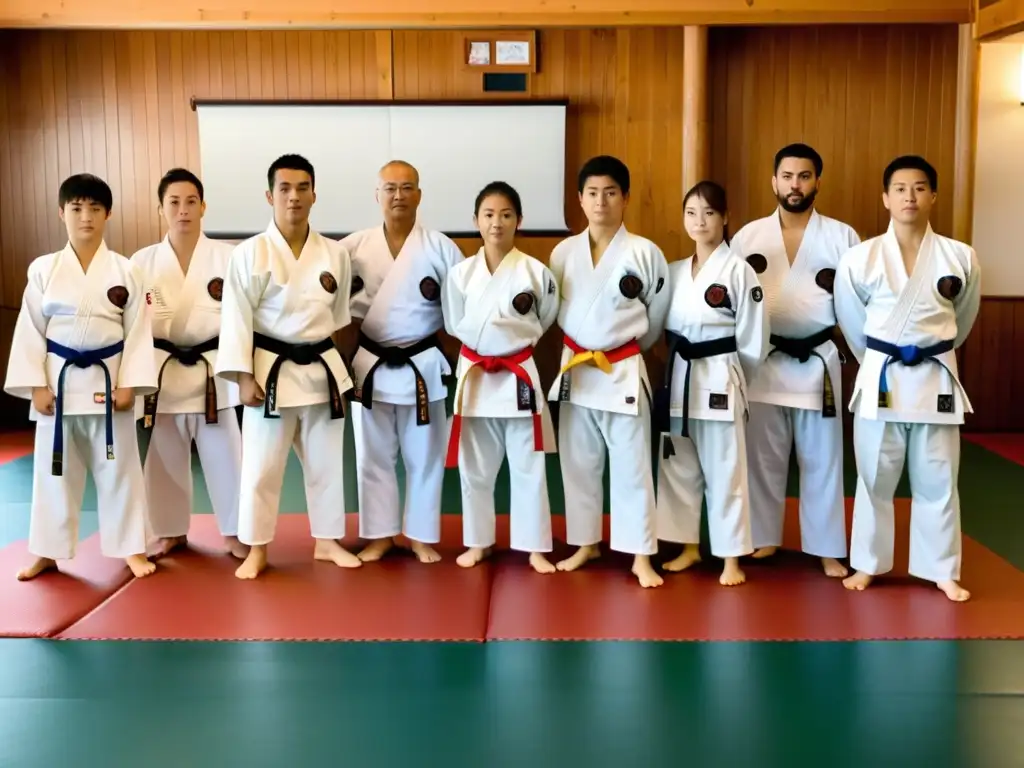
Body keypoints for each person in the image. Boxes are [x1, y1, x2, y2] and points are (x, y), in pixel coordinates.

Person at [834, 155, 980, 602]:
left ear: (933, 195)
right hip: (881, 374)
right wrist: (879, 357)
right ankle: (868, 564)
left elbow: (965, 317)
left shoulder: (960, 256)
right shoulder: (861, 257)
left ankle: (941, 570)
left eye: (919, 187)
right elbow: (851, 319)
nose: (910, 196)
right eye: (900, 188)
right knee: (875, 476)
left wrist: (932, 350)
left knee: (938, 477)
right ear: (885, 197)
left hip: (936, 376)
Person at [4, 173, 157, 580]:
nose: (85, 216)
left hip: (110, 385)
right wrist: (35, 384)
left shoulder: (126, 270)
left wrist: (130, 383)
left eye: (94, 208)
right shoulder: (43, 269)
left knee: (121, 469)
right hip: (59, 384)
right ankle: (47, 552)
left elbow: (139, 331)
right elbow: (31, 329)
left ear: (108, 214)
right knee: (53, 472)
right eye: (76, 208)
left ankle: (131, 548)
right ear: (61, 213)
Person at [215, 154, 358, 580]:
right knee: (260, 465)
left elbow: (339, 318)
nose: (294, 196)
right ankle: (257, 548)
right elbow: (236, 319)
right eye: (285, 188)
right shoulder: (249, 254)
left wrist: (340, 371)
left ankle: (328, 541)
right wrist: (242, 376)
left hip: (320, 370)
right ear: (269, 195)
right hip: (269, 373)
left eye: (302, 188)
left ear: (314, 194)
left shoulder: (335, 253)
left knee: (327, 462)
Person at [729, 143, 861, 578]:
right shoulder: (749, 235)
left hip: (818, 360)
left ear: (817, 182)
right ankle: (764, 538)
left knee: (823, 458)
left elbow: (857, 303)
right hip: (764, 358)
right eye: (787, 176)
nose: (795, 185)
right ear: (774, 181)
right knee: (762, 455)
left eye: (804, 176)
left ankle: (825, 547)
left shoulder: (842, 237)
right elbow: (731, 299)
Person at [546, 155, 672, 588]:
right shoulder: (563, 253)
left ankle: (640, 553)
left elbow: (656, 318)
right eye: (593, 193)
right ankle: (585, 542)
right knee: (578, 461)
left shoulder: (644, 252)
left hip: (621, 368)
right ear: (580, 200)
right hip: (576, 369)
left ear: (626, 198)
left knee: (632, 463)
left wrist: (626, 348)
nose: (601, 201)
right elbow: (553, 310)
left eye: (611, 192)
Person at [340, 160, 463, 564]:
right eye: (390, 188)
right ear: (377, 195)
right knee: (372, 455)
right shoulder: (352, 248)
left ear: (419, 195)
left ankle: (422, 535)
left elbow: (460, 313)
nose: (398, 195)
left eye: (407, 187)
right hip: (370, 364)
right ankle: (379, 535)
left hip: (422, 364)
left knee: (425, 455)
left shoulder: (442, 248)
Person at [654, 181, 769, 586]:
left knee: (726, 471)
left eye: (708, 213)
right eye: (691, 213)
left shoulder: (739, 270)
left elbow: (755, 338)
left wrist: (737, 378)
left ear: (725, 218)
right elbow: (657, 331)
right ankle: (688, 546)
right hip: (680, 378)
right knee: (678, 466)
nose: (699, 221)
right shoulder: (671, 272)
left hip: (720, 375)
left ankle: (731, 558)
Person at [442, 181, 559, 573]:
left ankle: (534, 546)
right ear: (475, 220)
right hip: (475, 374)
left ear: (519, 220)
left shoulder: (536, 272)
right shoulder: (459, 274)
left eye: (506, 215)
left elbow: (545, 317)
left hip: (517, 373)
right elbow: (453, 321)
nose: (497, 223)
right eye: (489, 215)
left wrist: (510, 344)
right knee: (474, 465)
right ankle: (478, 542)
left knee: (529, 464)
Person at [131, 168, 245, 560]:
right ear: (161, 208)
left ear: (203, 206)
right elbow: (132, 326)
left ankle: (235, 531)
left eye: (191, 201)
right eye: (174, 202)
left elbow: (242, 318)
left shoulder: (229, 257)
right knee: (165, 455)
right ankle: (169, 531)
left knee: (227, 454)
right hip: (163, 369)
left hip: (214, 371)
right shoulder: (141, 262)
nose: (183, 210)